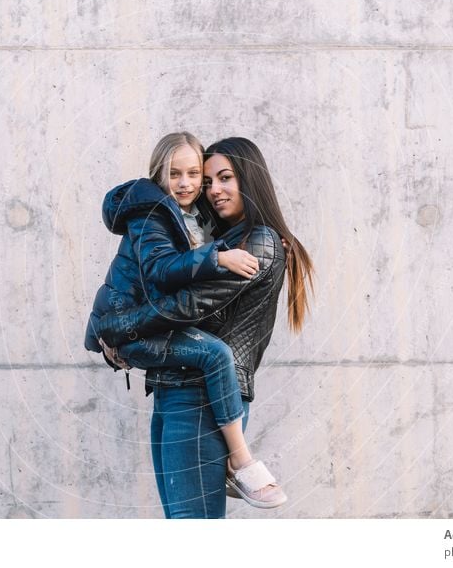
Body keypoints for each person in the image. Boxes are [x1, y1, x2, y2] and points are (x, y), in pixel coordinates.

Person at [96, 137, 314, 518]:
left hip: (203, 400)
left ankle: (242, 464)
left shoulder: (256, 242)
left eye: (225, 178)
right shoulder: (215, 239)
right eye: (208, 181)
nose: (213, 190)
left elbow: (189, 308)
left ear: (250, 180)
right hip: (175, 389)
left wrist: (120, 328)